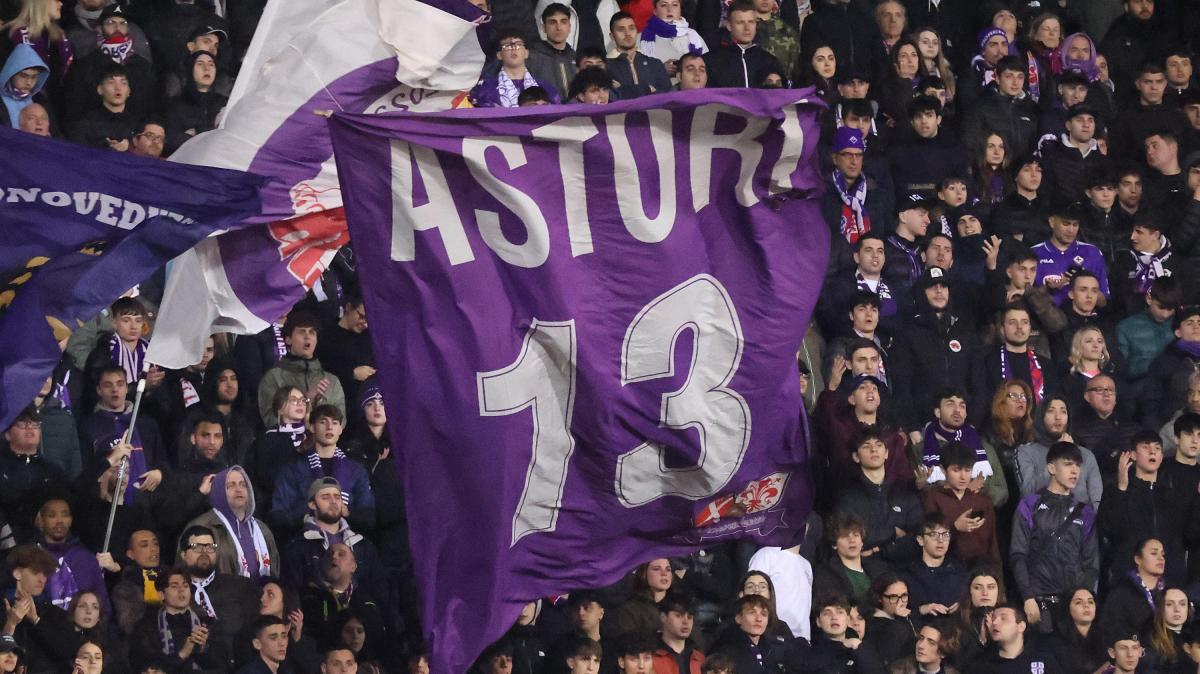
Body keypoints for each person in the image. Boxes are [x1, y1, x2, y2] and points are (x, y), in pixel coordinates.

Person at [1010, 441, 1099, 635]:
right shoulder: (1029, 505)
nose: (1075, 470)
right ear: (1051, 467)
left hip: (1072, 605)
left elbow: (1091, 562)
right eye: (1068, 464)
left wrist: (1082, 598)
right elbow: (1018, 555)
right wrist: (1027, 597)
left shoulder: (1085, 511)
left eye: (1077, 465)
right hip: (1039, 601)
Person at [270, 405, 375, 536]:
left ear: (340, 429)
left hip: (348, 540)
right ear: (312, 427)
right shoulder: (293, 469)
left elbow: (369, 516)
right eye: (323, 422)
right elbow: (279, 514)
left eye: (335, 423)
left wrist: (348, 513)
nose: (329, 427)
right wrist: (306, 516)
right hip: (305, 540)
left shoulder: (356, 470)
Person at [835, 426, 923, 565]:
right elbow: (852, 538)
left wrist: (878, 549)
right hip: (865, 568)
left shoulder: (904, 494)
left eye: (879, 445)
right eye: (866, 446)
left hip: (904, 569)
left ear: (887, 453)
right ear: (856, 457)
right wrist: (893, 532)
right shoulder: (848, 497)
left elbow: (918, 539)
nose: (874, 449)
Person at [176, 526, 259, 670]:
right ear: (183, 554)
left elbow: (256, 629)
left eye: (210, 547)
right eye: (196, 547)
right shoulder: (174, 593)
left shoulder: (240, 586)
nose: (204, 552)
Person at [183, 466, 280, 580]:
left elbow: (275, 571)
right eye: (231, 485)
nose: (238, 489)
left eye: (243, 484)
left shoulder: (262, 529)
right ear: (218, 491)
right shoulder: (202, 526)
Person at [256, 312, 346, 427]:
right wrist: (306, 400)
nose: (307, 336)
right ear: (288, 339)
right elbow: (270, 421)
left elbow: (340, 423)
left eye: (312, 332)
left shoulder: (332, 381)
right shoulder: (273, 377)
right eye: (302, 331)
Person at [1013, 396, 1103, 506]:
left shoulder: (1086, 455)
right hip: (1041, 519)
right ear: (1041, 417)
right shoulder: (1026, 452)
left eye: (1063, 412)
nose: (1058, 417)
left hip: (1080, 520)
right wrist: (1059, 453)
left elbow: (1097, 500)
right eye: (1051, 411)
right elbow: (1027, 493)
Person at [921, 442, 1000, 567]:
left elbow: (992, 546)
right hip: (947, 570)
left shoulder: (982, 502)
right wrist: (955, 528)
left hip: (980, 572)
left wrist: (998, 579)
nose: (963, 476)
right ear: (943, 470)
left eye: (968, 470)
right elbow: (927, 541)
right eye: (956, 470)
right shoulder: (932, 498)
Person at [131, 567, 222, 673]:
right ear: (161, 595)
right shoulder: (146, 627)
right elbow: (146, 665)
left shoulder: (207, 624)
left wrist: (203, 649)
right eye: (174, 586)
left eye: (185, 585)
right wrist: (182, 654)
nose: (181, 590)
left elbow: (222, 666)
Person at [0, 544, 72, 673]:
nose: (42, 579)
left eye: (45, 573)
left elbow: (66, 654)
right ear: (18, 573)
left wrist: (36, 620)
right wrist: (10, 624)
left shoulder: (54, 613)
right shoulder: (2, 609)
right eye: (35, 571)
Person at [1097, 538, 1167, 647]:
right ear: (1138, 559)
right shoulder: (1121, 592)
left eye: (1163, 555)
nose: (1161, 558)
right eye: (1154, 553)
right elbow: (1110, 629)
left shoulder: (1168, 593)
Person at [963, 55, 1038, 157]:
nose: (1015, 82)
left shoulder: (1032, 108)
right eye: (1009, 76)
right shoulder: (981, 106)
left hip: (1020, 169)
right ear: (998, 79)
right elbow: (970, 144)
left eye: (1020, 77)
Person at [470, 29, 561, 108]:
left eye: (518, 45)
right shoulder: (485, 88)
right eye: (507, 46)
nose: (514, 49)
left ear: (526, 53)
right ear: (499, 55)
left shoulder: (546, 88)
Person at [1143, 307, 1200, 429]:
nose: (1196, 326)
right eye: (1190, 323)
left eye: (1199, 323)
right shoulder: (1163, 362)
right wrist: (1158, 434)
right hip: (1175, 428)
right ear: (1178, 332)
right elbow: (1151, 403)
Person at [702, 0, 780, 88]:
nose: (747, 28)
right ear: (729, 26)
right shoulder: (711, 61)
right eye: (740, 22)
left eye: (751, 22)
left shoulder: (770, 62)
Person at [706, 594, 793, 672]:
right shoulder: (724, 650)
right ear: (738, 618)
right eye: (752, 613)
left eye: (764, 614)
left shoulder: (770, 649)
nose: (759, 619)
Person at [968, 603, 1061, 673]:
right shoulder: (981, 666)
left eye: (1003, 618)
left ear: (1021, 627)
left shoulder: (1044, 659)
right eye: (993, 619)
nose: (995, 622)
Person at [636, 0, 706, 77]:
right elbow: (635, 72)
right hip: (659, 87)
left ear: (680, 9)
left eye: (675, 5)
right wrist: (660, 70)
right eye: (664, 5)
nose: (670, 9)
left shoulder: (694, 37)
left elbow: (706, 70)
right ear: (655, 11)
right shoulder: (640, 39)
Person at [863, 574, 917, 665]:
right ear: (879, 598)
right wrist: (901, 620)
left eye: (904, 595)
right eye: (894, 597)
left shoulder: (906, 616)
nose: (901, 602)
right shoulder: (874, 624)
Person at [650, 591, 702, 674]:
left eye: (689, 617)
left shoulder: (699, 658)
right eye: (679, 616)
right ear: (663, 617)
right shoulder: (649, 657)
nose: (686, 622)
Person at [886, 620, 961, 674]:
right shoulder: (897, 670)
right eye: (921, 638)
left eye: (931, 642)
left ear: (943, 653)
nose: (921, 645)